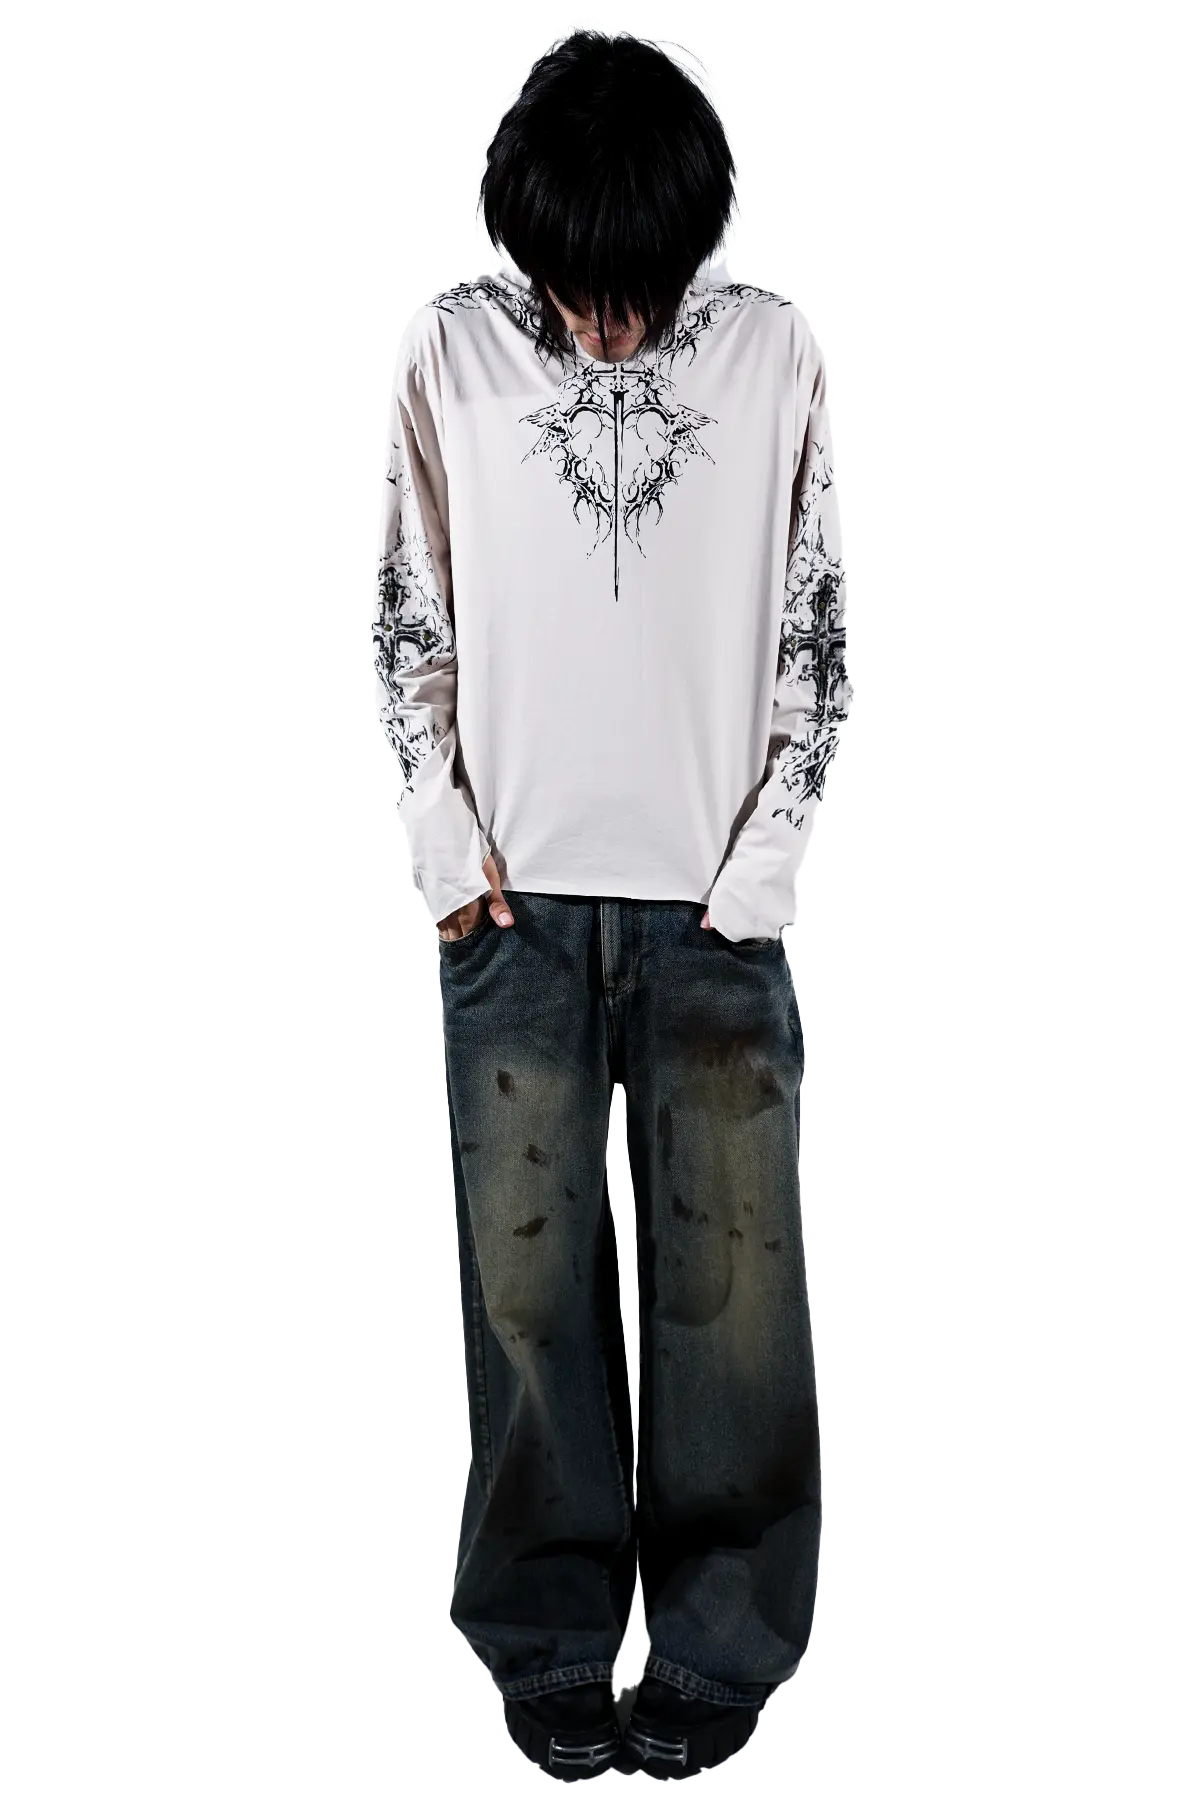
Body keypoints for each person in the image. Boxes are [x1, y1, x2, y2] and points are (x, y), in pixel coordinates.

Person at [371, 23, 854, 1781]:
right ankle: (548, 1628)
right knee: (523, 1291)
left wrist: (766, 862)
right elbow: (408, 609)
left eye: (635, 291)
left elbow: (816, 623)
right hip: (507, 910)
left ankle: (727, 1631)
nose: (607, 330)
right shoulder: (447, 351)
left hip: (715, 905)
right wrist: (445, 849)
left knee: (734, 1294)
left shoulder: (775, 352)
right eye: (577, 291)